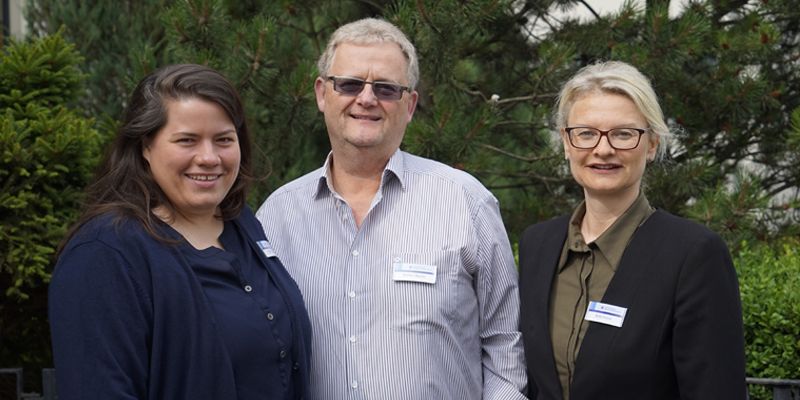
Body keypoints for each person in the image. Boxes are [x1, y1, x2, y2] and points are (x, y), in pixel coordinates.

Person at [255, 18, 527, 400]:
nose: (366, 99)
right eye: (349, 84)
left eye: (385, 88)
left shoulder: (466, 203)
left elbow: (505, 348)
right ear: (321, 93)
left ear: (410, 104)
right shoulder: (277, 218)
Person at [49, 64, 311, 400]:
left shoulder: (243, 224)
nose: (208, 157)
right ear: (145, 146)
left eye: (223, 140)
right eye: (187, 140)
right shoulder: (104, 253)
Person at [518, 60, 746, 400]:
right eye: (586, 133)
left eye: (624, 133)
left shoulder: (693, 254)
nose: (603, 149)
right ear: (566, 143)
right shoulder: (538, 245)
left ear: (652, 144)